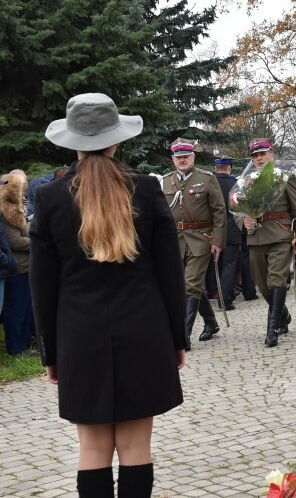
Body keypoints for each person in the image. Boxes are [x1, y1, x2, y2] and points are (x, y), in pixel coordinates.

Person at [31, 93, 186, 497]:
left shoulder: (49, 199)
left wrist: (50, 352)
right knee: (137, 446)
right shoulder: (148, 190)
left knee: (93, 447)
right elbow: (171, 274)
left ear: (73, 142)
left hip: (80, 336)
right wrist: (177, 339)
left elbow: (43, 287)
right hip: (144, 329)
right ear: (117, 140)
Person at [239, 138, 296, 347]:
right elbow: (237, 209)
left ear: (271, 154)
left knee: (276, 280)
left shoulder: (283, 177)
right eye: (255, 156)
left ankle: (272, 328)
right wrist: (244, 220)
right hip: (256, 237)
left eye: (263, 154)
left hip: (280, 234)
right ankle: (283, 315)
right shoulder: (245, 180)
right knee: (262, 284)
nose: (259, 158)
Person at [161, 138, 226, 349]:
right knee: (189, 284)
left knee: (190, 284)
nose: (182, 160)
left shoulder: (207, 179)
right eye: (178, 157)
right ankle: (211, 322)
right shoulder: (165, 181)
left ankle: (183, 335)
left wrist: (218, 240)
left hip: (200, 238)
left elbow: (219, 211)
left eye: (186, 157)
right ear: (173, 159)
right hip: (175, 241)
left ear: (193, 157)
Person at [1, 173, 35, 355]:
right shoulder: (8, 209)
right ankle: (16, 347)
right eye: (22, 189)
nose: (24, 194)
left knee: (26, 309)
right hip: (17, 266)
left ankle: (24, 344)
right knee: (16, 309)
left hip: (26, 265)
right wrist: (37, 240)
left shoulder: (18, 207)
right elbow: (14, 241)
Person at [213, 156, 242, 310]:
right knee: (229, 264)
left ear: (216, 169)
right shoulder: (235, 184)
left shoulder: (210, 184)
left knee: (215, 264)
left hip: (212, 231)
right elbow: (239, 210)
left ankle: (214, 293)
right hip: (231, 230)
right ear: (229, 168)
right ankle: (225, 300)